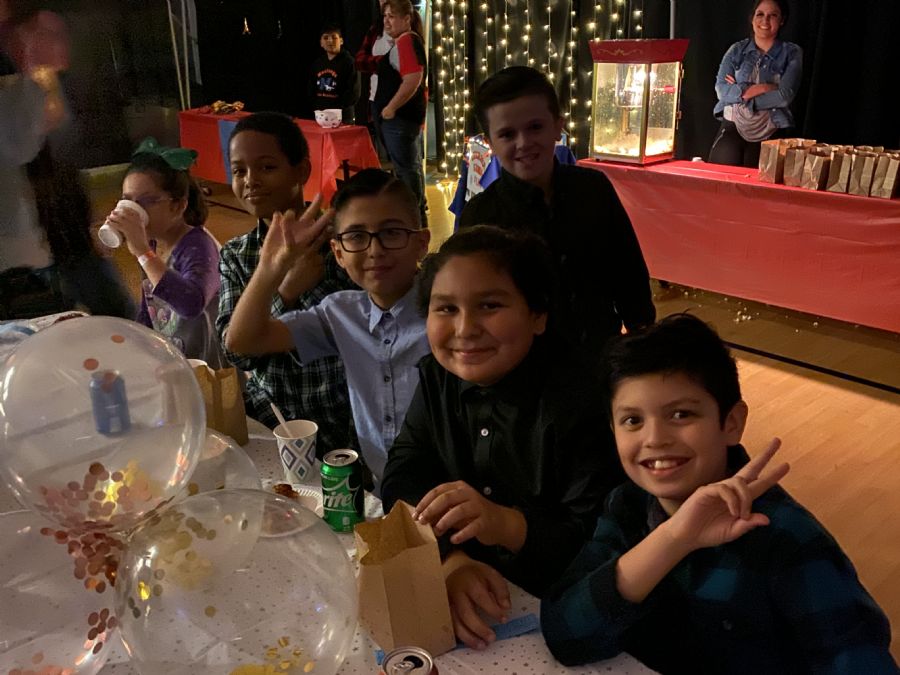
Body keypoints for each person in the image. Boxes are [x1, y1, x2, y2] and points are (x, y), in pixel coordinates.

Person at [541, 314, 897, 673]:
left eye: (681, 414)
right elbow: (564, 635)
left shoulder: (784, 537)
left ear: (731, 423)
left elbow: (861, 661)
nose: (655, 439)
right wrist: (673, 539)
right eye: (633, 420)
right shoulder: (627, 506)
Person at [380, 225, 625, 651]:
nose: (465, 328)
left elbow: (599, 544)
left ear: (538, 315)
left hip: (564, 618)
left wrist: (506, 524)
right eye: (446, 308)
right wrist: (452, 558)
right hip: (472, 600)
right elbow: (403, 473)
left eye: (489, 306)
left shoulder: (583, 403)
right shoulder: (438, 377)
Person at [225, 169, 430, 490]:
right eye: (357, 236)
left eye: (392, 233)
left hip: (450, 490)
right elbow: (242, 341)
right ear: (338, 253)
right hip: (383, 487)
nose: (375, 250)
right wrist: (271, 267)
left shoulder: (449, 313)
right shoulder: (341, 313)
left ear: (421, 243)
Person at [459, 66, 654, 355]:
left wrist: (642, 333)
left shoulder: (593, 187)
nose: (524, 143)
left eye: (535, 127)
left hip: (600, 353)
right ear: (489, 143)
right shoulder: (481, 215)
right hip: (524, 362)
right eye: (507, 134)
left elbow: (627, 267)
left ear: (557, 126)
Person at [216, 112, 355, 450]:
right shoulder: (238, 254)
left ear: (302, 170)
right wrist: (285, 291)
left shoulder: (343, 243)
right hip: (270, 418)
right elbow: (237, 354)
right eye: (239, 171)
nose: (250, 181)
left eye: (266, 167)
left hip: (344, 424)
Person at [1, 5, 133, 320]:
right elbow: (20, 147)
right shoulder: (22, 82)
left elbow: (59, 140)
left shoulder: (37, 78)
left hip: (63, 229)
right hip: (28, 246)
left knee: (112, 312)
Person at [103, 138, 224, 367]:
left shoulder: (199, 247)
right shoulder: (152, 244)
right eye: (127, 201)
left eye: (147, 201)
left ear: (178, 205)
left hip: (207, 369)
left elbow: (191, 304)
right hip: (174, 362)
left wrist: (143, 253)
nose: (133, 211)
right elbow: (148, 308)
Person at [708, 0, 802, 167]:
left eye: (773, 15)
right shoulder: (736, 50)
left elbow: (784, 96)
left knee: (760, 181)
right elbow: (721, 91)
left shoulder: (792, 52)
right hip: (733, 124)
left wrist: (739, 93)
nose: (765, 20)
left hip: (772, 129)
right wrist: (764, 88)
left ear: (782, 20)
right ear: (752, 19)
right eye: (760, 14)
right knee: (719, 176)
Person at [372, 0, 427, 224]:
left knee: (407, 170)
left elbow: (413, 78)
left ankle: (412, 218)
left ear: (406, 19)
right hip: (401, 120)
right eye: (385, 16)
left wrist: (391, 107)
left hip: (400, 120)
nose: (386, 21)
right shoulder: (405, 41)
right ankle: (416, 216)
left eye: (392, 16)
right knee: (410, 168)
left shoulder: (406, 41)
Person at [307, 23, 360, 125]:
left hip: (343, 117)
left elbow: (354, 92)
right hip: (322, 115)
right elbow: (311, 88)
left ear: (341, 41)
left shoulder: (350, 62)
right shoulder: (318, 63)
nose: (330, 41)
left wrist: (339, 108)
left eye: (334, 37)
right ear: (321, 43)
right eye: (326, 38)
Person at [355, 0, 393, 140]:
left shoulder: (408, 26)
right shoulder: (376, 28)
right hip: (376, 97)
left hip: (400, 97)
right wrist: (384, 63)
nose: (383, 2)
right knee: (383, 143)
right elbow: (360, 61)